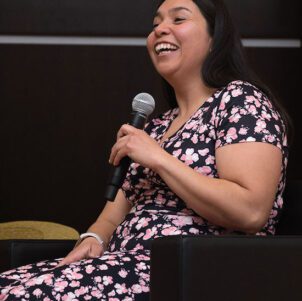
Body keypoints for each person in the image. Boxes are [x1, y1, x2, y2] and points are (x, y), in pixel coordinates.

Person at [0, 0, 289, 300]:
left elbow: (250, 211)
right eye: (155, 25)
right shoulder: (158, 126)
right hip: (120, 263)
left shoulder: (240, 101)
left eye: (178, 19)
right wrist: (94, 237)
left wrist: (159, 159)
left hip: (187, 272)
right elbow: (112, 216)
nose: (160, 30)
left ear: (215, 36)